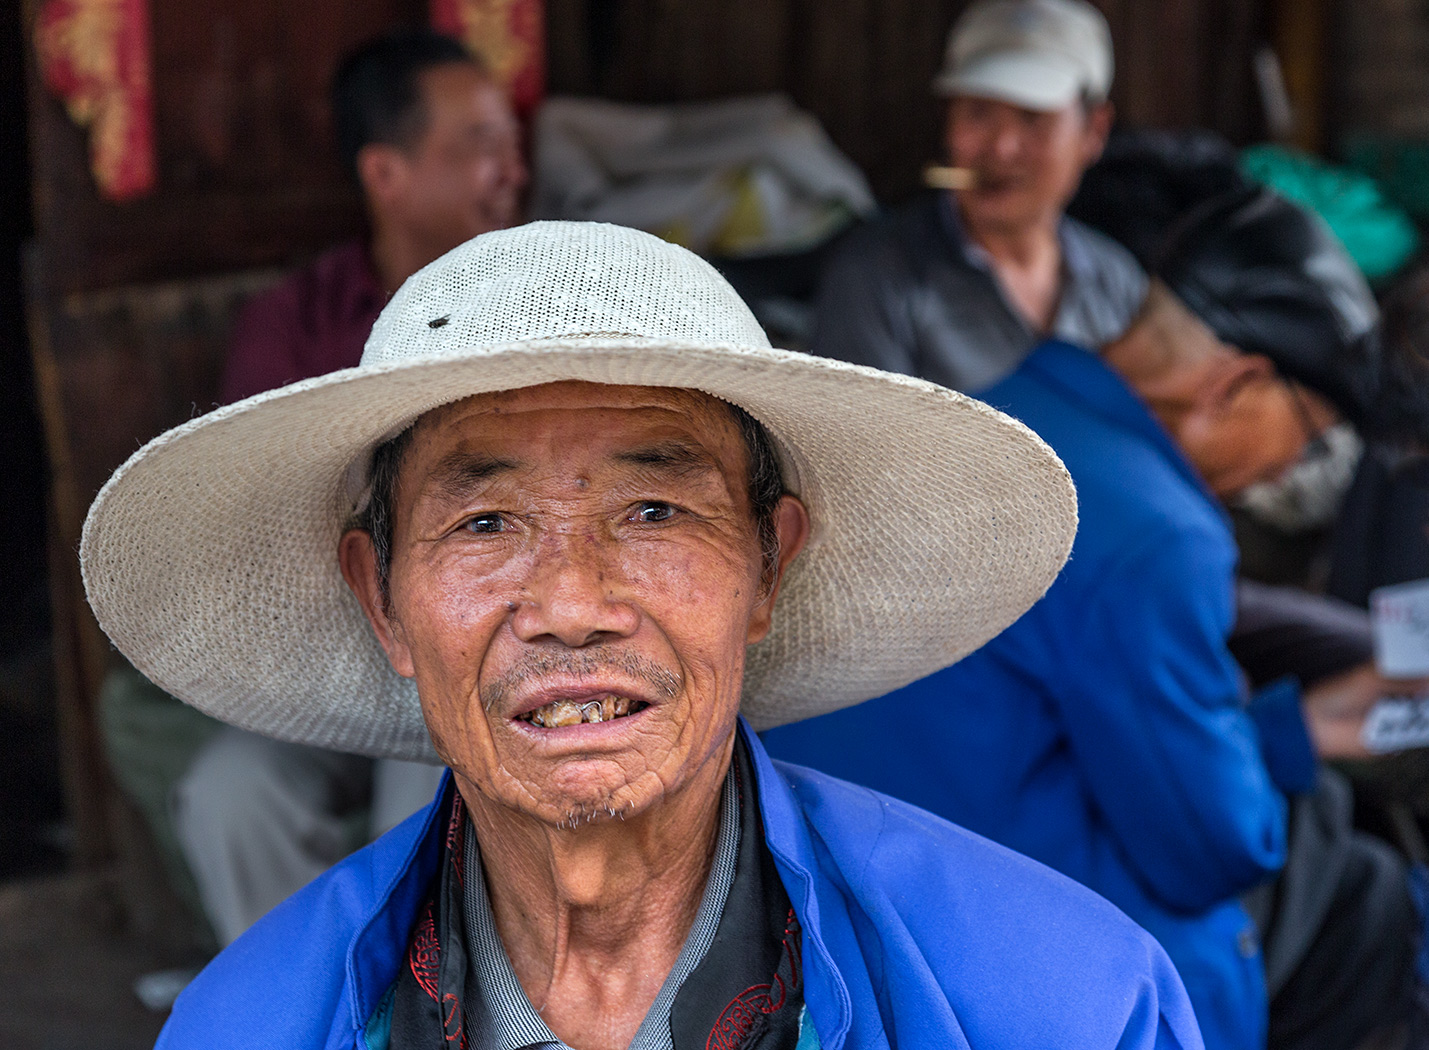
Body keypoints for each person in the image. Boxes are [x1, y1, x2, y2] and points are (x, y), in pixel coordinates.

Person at [81, 221, 1203, 1050]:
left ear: (768, 565)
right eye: (485, 522)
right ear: (382, 602)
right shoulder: (249, 1028)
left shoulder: (1063, 1005)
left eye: (654, 511)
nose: (571, 603)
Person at [766, 277, 1427, 1050]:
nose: (1294, 468)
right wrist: (1277, 745)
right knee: (1380, 906)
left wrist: (1296, 729)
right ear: (1236, 385)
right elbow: (1210, 853)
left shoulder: (985, 417)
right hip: (1001, 956)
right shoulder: (1158, 534)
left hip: (833, 891)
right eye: (1311, 435)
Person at [98, 26, 528, 948]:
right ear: (387, 173)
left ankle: (436, 1013)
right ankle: (314, 1017)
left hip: (490, 651)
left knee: (434, 784)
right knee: (229, 793)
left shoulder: (539, 309)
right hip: (325, 659)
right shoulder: (295, 325)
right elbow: (256, 522)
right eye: (478, 143)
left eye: (510, 140)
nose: (511, 169)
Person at [812, 0, 1146, 392]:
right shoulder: (876, 279)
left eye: (1032, 116)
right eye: (978, 112)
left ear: (1094, 131)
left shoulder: (1118, 286)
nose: (1002, 148)